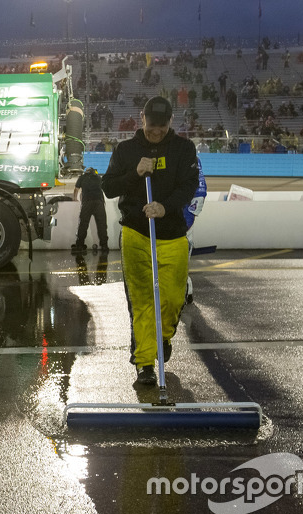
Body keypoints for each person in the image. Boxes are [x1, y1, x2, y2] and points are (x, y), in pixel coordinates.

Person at [102, 96, 199, 386]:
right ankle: (144, 364)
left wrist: (164, 207)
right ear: (141, 118)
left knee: (172, 298)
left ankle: (162, 337)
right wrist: (135, 173)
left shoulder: (184, 149)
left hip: (172, 233)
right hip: (135, 232)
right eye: (151, 125)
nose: (155, 131)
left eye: (162, 125)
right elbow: (108, 187)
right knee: (142, 301)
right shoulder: (126, 150)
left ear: (171, 122)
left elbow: (188, 186)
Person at [183, 157, 207, 304]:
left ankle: (185, 289)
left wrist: (190, 214)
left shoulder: (191, 157)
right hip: (171, 214)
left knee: (182, 254)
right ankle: (186, 289)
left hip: (183, 217)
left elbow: (200, 189)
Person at [71, 167, 109, 254]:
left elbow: (76, 189)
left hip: (87, 202)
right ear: (94, 172)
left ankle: (80, 245)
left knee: (83, 224)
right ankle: (104, 246)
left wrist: (75, 199)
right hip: (99, 203)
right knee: (102, 225)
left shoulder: (82, 177)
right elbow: (104, 190)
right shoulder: (99, 178)